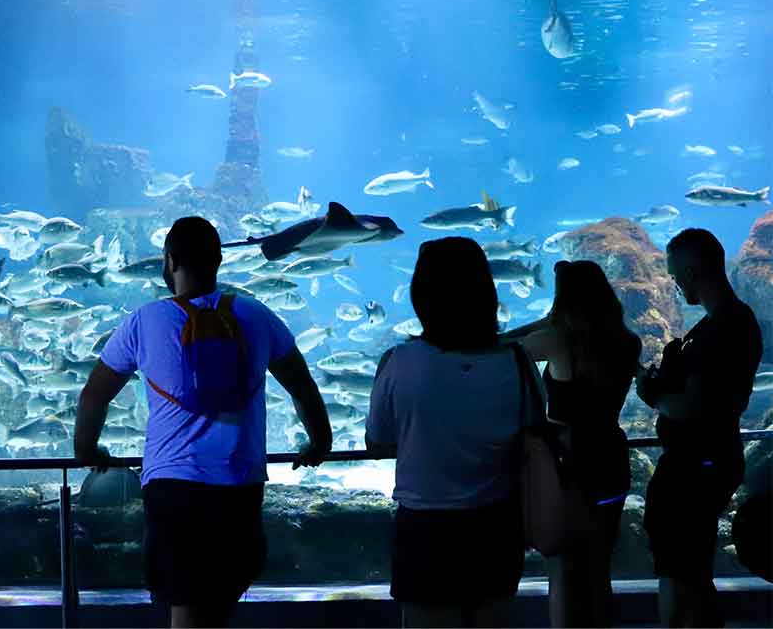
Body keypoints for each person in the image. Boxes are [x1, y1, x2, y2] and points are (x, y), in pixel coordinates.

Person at [74, 216, 332, 628]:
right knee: (219, 606)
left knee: (186, 610)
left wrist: (86, 450)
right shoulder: (255, 315)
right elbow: (302, 388)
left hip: (174, 488)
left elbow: (94, 395)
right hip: (240, 485)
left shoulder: (144, 321)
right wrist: (320, 441)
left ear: (170, 260)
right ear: (219, 261)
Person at [366, 237, 545, 628]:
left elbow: (378, 442)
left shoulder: (398, 363)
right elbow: (533, 431)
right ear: (487, 293)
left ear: (420, 296)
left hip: (425, 529)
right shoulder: (517, 361)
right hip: (497, 528)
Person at [503, 260, 642, 627]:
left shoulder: (558, 339)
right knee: (598, 567)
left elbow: (508, 348)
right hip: (611, 457)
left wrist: (547, 319)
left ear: (564, 300)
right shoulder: (627, 341)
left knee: (563, 565)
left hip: (568, 462)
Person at [635, 228, 761, 627]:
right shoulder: (723, 323)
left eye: (675, 276)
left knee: (678, 572)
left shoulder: (724, 328)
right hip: (708, 460)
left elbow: (691, 407)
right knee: (693, 571)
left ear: (692, 271)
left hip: (696, 465)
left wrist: (651, 393)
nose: (673, 284)